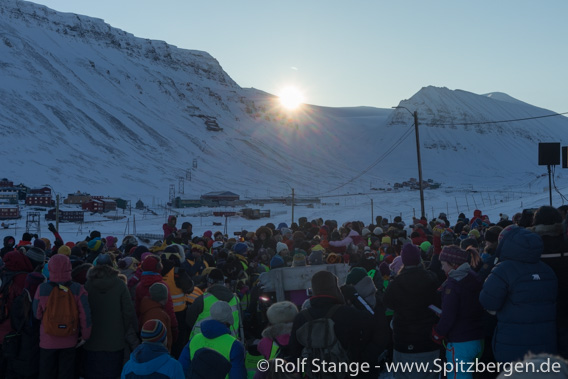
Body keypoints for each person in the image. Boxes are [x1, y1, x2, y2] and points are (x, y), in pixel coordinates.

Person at [480, 225, 558, 363]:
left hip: (512, 343)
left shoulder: (503, 269)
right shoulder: (547, 270)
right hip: (545, 343)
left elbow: (487, 301)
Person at [287, 271, 381, 377]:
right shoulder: (347, 313)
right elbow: (373, 319)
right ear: (335, 288)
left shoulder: (301, 317)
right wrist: (355, 296)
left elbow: (294, 351)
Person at [383, 243, 441, 379]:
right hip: (428, 340)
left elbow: (387, 303)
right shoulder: (431, 278)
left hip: (403, 340)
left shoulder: (396, 283)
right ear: (419, 259)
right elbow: (439, 302)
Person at [33, 254, 92, 379]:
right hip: (69, 339)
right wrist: (85, 336)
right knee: (66, 373)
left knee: (46, 373)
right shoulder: (78, 289)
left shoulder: (42, 289)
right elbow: (85, 315)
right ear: (69, 268)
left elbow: (37, 314)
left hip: (47, 340)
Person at [433, 246, 484, 379]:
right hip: (476, 337)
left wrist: (438, 332)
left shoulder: (454, 283)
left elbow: (449, 316)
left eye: (443, 264)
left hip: (460, 341)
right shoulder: (472, 276)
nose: (442, 268)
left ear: (454, 264)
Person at [83, 253, 136, 378]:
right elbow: (128, 311)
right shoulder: (120, 284)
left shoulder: (88, 285)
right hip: (115, 342)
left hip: (92, 340)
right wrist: (120, 328)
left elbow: (84, 310)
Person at [179, 301, 247, 378]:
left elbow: (182, 368)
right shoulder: (234, 345)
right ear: (229, 319)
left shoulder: (195, 339)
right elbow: (237, 375)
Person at [186, 268, 241, 340]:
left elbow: (189, 320)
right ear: (223, 283)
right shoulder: (236, 300)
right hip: (229, 344)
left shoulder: (202, 300)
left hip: (202, 343)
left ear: (209, 283)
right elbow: (240, 321)